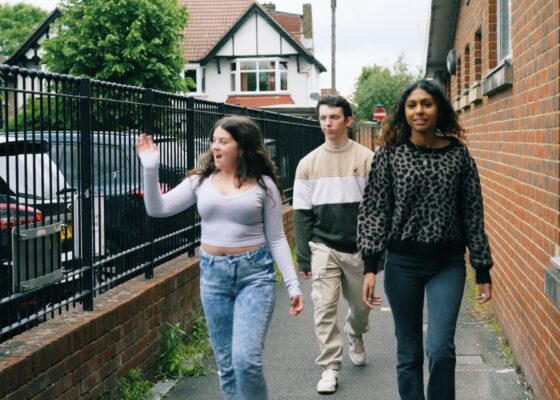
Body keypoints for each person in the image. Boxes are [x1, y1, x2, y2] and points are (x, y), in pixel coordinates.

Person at [136, 116, 304, 400]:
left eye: (223, 141)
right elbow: (157, 208)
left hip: (255, 276)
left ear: (243, 146)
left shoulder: (264, 185)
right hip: (214, 277)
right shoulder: (199, 182)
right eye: (214, 140)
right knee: (226, 366)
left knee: (246, 359)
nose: (215, 146)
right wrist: (150, 169)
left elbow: (276, 238)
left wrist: (292, 284)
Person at [358, 79, 493, 400]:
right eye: (412, 104)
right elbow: (375, 210)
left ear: (439, 109)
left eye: (427, 104)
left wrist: (482, 267)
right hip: (402, 264)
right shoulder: (389, 155)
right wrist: (369, 266)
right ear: (403, 112)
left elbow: (472, 213)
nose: (419, 110)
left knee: (441, 350)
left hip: (447, 264)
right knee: (408, 353)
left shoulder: (459, 155)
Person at [293, 95, 381, 394]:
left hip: (358, 248)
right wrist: (304, 257)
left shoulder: (368, 159)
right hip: (323, 247)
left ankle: (356, 332)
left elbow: (378, 210)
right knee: (324, 307)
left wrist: (375, 255)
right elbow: (302, 214)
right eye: (323, 118)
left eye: (333, 117)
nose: (327, 123)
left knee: (361, 307)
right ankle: (330, 366)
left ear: (348, 120)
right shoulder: (307, 164)